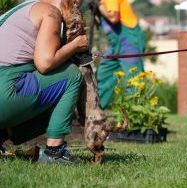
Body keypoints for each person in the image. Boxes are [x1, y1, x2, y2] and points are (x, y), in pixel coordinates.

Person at [0, 0, 88, 164]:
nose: (77, 8)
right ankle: (55, 152)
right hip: (3, 91)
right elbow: (45, 63)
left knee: (52, 92)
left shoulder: (25, 8)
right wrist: (76, 45)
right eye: (77, 4)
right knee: (70, 75)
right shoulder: (50, 13)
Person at [95, 0, 145, 109]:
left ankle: (136, 117)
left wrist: (98, 6)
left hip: (129, 42)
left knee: (133, 81)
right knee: (104, 75)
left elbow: (113, 17)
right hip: (116, 46)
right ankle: (96, 112)